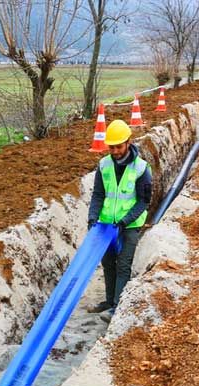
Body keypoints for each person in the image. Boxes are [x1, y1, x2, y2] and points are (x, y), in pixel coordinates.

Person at [86, 120, 152, 321]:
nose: (114, 151)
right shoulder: (104, 165)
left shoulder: (141, 168)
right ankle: (108, 301)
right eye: (111, 147)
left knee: (123, 264)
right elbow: (98, 194)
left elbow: (144, 201)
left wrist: (125, 221)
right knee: (108, 263)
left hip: (130, 225)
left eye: (118, 146)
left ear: (128, 142)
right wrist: (92, 217)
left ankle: (117, 306)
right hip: (107, 225)